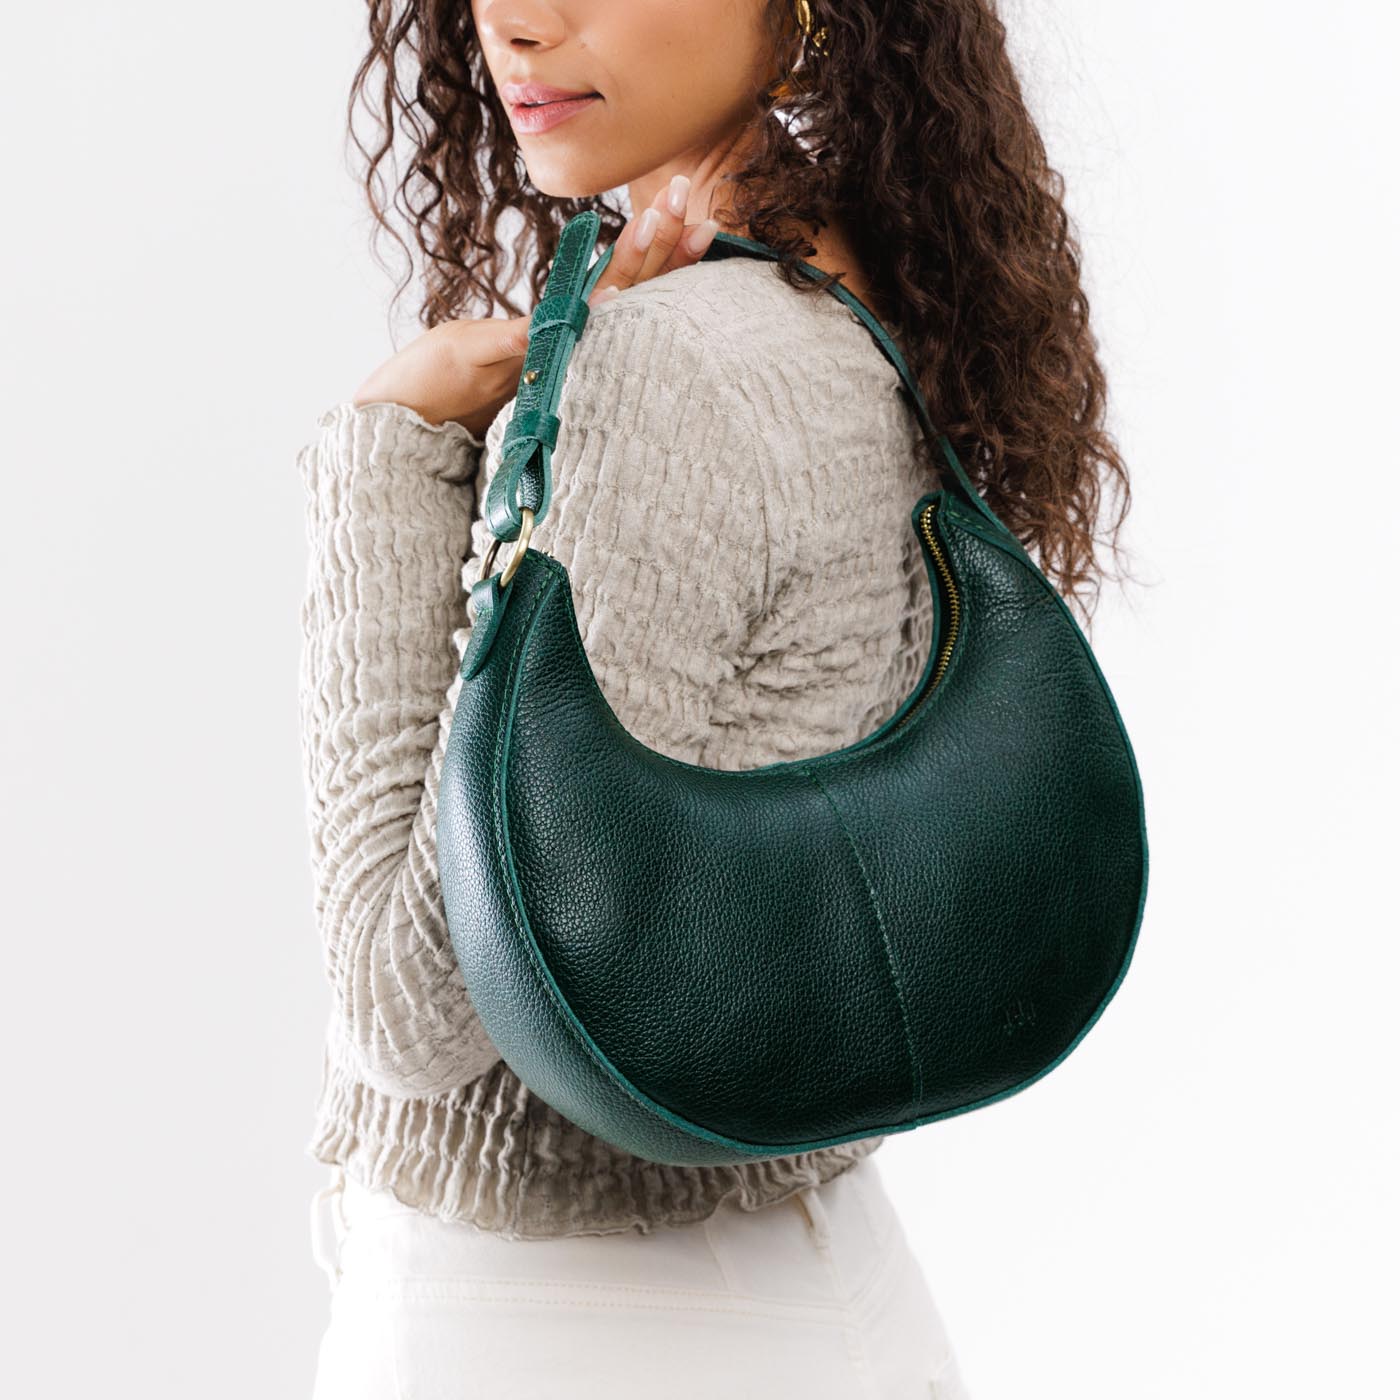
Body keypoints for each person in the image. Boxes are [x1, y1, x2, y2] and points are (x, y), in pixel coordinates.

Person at [299, 2, 1131, 1396]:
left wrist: (390, 442)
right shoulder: (863, 286)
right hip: (799, 1282)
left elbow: (407, 1013)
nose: (519, 21)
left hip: (560, 1326)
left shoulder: (669, 362)